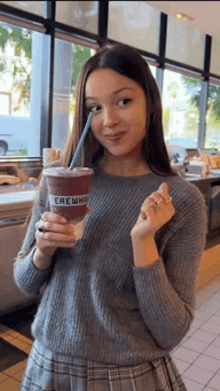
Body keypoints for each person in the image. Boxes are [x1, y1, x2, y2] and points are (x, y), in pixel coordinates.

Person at [14, 43, 207, 391]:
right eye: (95, 108)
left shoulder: (178, 200)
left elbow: (171, 331)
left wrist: (144, 243)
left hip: (126, 377)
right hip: (47, 366)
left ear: (149, 102)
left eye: (124, 101)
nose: (109, 121)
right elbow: (25, 280)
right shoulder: (60, 182)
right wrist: (42, 251)